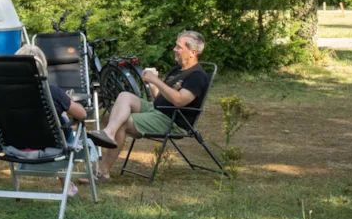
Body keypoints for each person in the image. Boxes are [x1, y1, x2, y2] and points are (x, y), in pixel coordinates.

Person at [88, 30, 210, 182]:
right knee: (124, 96)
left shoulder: (197, 76)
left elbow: (179, 101)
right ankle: (109, 133)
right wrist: (153, 83)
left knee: (123, 122)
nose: (174, 49)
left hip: (171, 121)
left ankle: (103, 172)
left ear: (192, 52)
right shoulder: (177, 70)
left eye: (179, 47)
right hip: (157, 110)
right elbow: (160, 98)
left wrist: (156, 80)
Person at [15, 44, 118, 196]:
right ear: (43, 66)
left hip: (18, 146)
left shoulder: (6, 95)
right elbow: (82, 114)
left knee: (54, 124)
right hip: (51, 146)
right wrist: (66, 101)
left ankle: (67, 185)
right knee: (61, 121)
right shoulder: (53, 92)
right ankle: (67, 185)